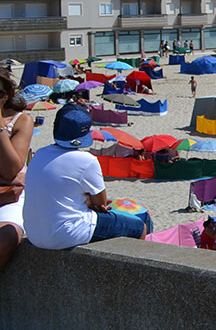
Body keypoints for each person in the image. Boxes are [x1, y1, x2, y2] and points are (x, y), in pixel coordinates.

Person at [22, 104, 147, 250]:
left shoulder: (40, 154)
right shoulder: (86, 160)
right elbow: (101, 204)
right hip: (63, 234)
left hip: (34, 233)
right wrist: (88, 200)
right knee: (139, 226)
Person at [0, 72, 34, 273]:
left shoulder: (22, 121)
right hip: (8, 187)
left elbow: (11, 167)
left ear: (7, 95)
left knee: (7, 236)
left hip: (10, 198)